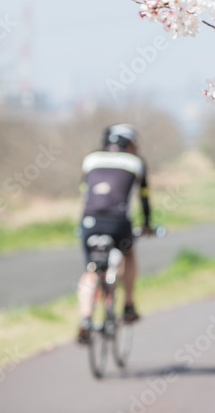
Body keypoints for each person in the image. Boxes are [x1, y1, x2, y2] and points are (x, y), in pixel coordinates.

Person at [76, 124, 152, 344]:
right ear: (129, 144)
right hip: (118, 222)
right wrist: (147, 224)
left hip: (90, 221)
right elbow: (144, 197)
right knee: (128, 255)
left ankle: (85, 318)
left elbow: (84, 193)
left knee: (90, 270)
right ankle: (128, 304)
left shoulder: (90, 159)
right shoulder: (136, 161)